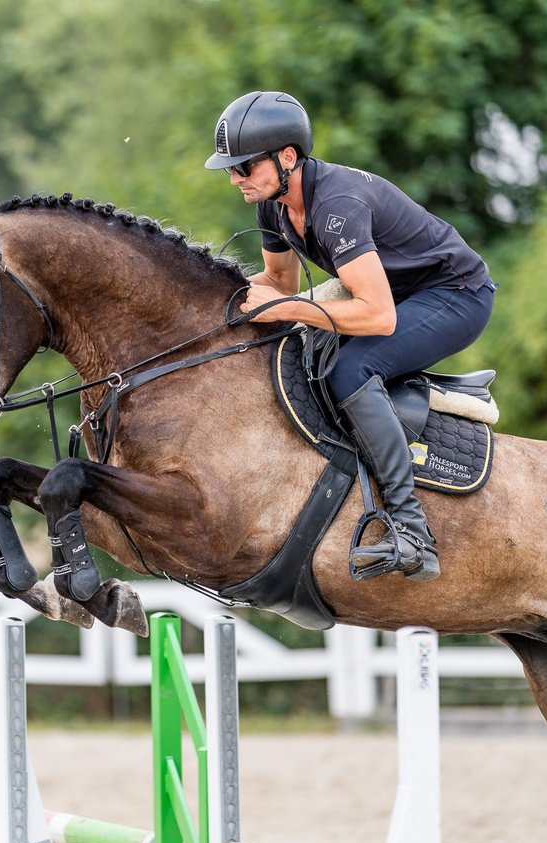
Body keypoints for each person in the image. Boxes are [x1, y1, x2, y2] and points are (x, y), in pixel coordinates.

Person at [204, 90, 497, 583]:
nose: (235, 179)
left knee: (350, 369)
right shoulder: (273, 206)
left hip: (457, 296)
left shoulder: (337, 205)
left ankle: (412, 532)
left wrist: (289, 309)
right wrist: (208, 302)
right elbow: (279, 282)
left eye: (245, 167)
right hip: (403, 296)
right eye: (231, 170)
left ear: (287, 158)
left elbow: (376, 316)